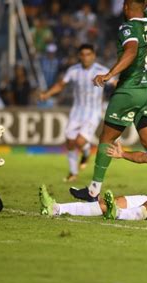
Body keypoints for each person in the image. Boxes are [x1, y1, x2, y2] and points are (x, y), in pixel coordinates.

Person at [69, 0, 147, 202]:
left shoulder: (128, 27)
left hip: (129, 91)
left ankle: (93, 191)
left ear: (126, 7)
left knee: (106, 139)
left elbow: (131, 51)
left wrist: (109, 74)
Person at [39, 113, 147, 221]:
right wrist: (123, 154)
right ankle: (55, 208)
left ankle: (118, 214)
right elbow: (141, 157)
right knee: (111, 202)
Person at [40, 44, 110, 182]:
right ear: (79, 56)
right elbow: (61, 84)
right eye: (83, 54)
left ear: (93, 55)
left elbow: (115, 82)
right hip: (76, 111)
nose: (85, 57)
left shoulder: (102, 70)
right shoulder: (73, 70)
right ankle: (73, 172)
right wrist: (48, 94)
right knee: (70, 142)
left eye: (88, 54)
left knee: (80, 141)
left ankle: (86, 151)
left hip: (93, 111)